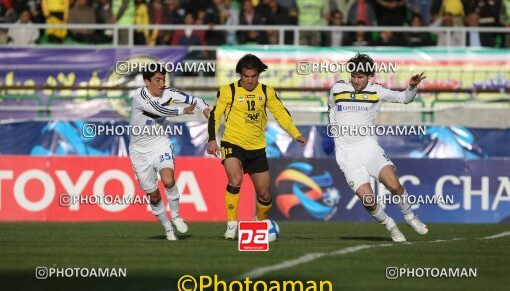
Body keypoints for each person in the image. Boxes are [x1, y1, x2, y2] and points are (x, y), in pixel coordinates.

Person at [328, 53, 428, 242]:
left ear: (369, 76)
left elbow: (404, 99)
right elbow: (331, 108)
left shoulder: (377, 91)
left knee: (394, 185)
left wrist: (412, 86)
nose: (356, 81)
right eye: (353, 76)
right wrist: (336, 137)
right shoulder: (337, 88)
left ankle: (410, 217)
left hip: (368, 148)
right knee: (368, 200)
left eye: (360, 77)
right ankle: (390, 226)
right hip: (346, 154)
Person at [206, 54, 307, 239]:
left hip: (257, 147)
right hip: (232, 143)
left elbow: (281, 114)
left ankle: (259, 226)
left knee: (265, 194)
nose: (250, 80)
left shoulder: (267, 92)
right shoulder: (228, 91)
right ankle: (231, 225)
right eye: (246, 76)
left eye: (253, 76)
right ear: (240, 75)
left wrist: (295, 133)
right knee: (235, 180)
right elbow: (215, 115)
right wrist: (212, 139)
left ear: (259, 75)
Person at [130, 64, 210, 241]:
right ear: (146, 82)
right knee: (154, 194)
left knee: (168, 180)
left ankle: (175, 216)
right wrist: (182, 110)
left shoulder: (169, 93)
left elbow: (195, 99)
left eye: (163, 79)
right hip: (139, 151)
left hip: (160, 144)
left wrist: (205, 108)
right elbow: (160, 110)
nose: (161, 83)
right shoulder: (139, 96)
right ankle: (167, 227)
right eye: (157, 80)